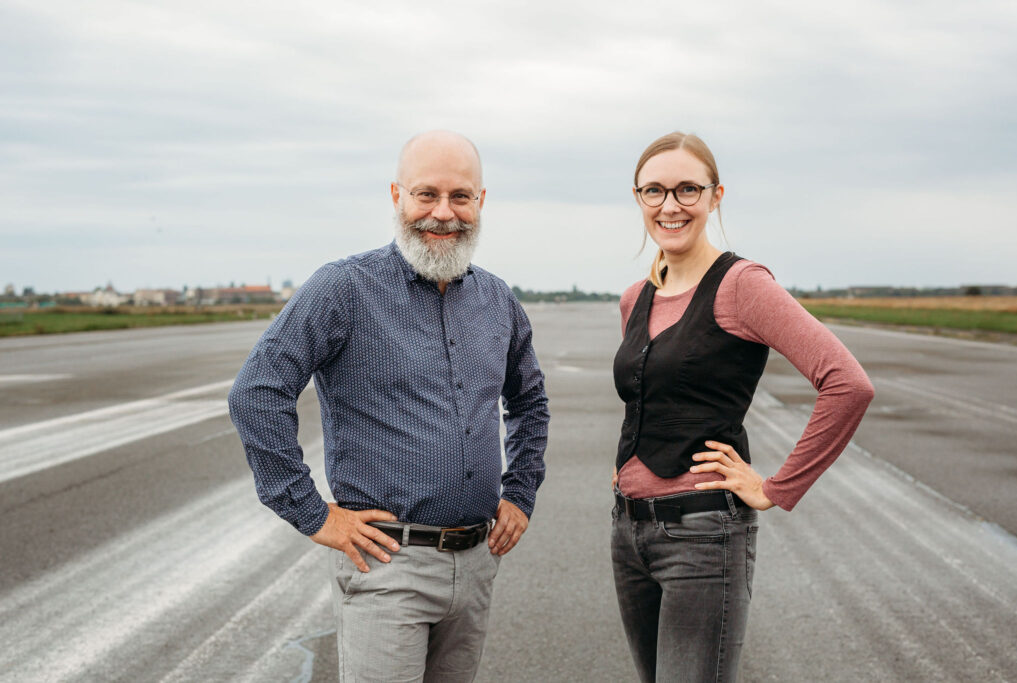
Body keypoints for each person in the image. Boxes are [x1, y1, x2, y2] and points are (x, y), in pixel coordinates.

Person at [228, 130, 549, 682]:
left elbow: (530, 401)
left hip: (475, 566)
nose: (443, 213)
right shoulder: (344, 289)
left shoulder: (498, 300)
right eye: (426, 195)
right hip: (386, 565)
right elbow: (257, 391)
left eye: (460, 197)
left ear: (481, 201)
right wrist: (312, 513)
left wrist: (520, 492)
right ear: (397, 196)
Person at [610, 131, 874, 683]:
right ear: (637, 198)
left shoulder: (741, 285)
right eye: (654, 191)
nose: (670, 205)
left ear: (715, 195)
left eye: (688, 189)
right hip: (629, 533)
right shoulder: (637, 296)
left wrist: (775, 488)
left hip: (702, 536)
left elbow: (847, 383)